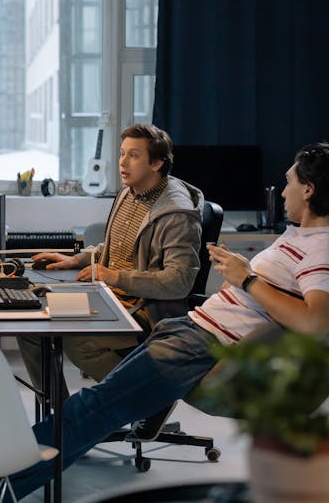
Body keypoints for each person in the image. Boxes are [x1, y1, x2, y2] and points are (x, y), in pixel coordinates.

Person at [0, 142, 329, 502]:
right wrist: (245, 276)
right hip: (191, 332)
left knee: (93, 409)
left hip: (201, 346)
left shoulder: (327, 250)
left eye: (289, 183)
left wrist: (247, 278)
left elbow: (314, 323)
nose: (282, 191)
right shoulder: (303, 238)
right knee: (96, 409)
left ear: (309, 190)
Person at [19, 123, 204, 397]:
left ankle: (147, 398)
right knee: (31, 328)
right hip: (110, 296)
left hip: (144, 310)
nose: (122, 163)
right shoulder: (130, 193)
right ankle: (63, 418)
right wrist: (76, 259)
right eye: (121, 153)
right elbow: (120, 249)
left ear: (157, 163)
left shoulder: (177, 214)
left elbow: (179, 282)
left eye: (133, 155)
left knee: (78, 343)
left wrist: (115, 277)